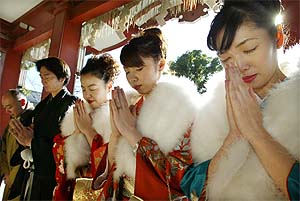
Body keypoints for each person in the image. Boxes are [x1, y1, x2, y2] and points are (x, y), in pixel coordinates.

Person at [181, 0, 300, 200]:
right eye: (226, 59)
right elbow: (191, 184)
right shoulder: (216, 112)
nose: (239, 65)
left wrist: (256, 133)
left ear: (278, 37)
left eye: (249, 49)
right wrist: (233, 139)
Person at [92, 27, 199, 200]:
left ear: (161, 65)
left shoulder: (181, 108)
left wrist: (133, 135)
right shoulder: (133, 106)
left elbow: (183, 175)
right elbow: (113, 165)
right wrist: (116, 133)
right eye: (128, 71)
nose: (132, 78)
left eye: (139, 68)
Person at [52, 53, 120, 200]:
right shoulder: (76, 113)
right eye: (83, 89)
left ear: (108, 86)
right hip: (74, 188)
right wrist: (74, 135)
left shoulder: (116, 117)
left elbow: (112, 163)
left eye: (93, 88)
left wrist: (88, 132)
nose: (87, 94)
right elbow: (59, 151)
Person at [9, 57, 77, 200]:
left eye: (47, 76)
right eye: (41, 76)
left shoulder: (70, 103)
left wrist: (31, 142)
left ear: (62, 78)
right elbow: (29, 131)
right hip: (34, 167)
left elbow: (62, 142)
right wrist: (22, 134)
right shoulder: (42, 106)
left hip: (50, 172)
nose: (43, 80)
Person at [1, 89, 33, 201]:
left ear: (23, 103)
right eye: (5, 108)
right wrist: (6, 172)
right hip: (9, 176)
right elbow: (3, 149)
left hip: (20, 180)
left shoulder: (33, 121)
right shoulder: (13, 121)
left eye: (9, 107)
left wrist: (12, 177)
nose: (7, 111)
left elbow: (24, 157)